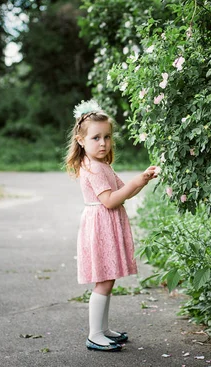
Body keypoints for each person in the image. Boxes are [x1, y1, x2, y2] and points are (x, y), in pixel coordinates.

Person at [66, 100, 158, 352]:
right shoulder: (92, 168)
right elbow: (109, 200)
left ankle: (103, 329)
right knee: (104, 281)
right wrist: (136, 182)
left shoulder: (102, 164)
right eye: (96, 137)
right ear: (81, 140)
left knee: (109, 279)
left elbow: (122, 190)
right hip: (100, 226)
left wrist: (143, 179)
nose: (103, 143)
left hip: (106, 225)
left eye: (107, 137)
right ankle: (94, 334)